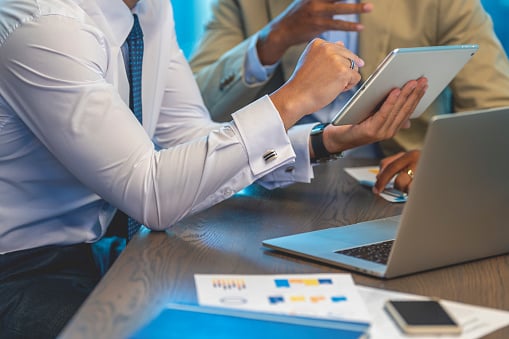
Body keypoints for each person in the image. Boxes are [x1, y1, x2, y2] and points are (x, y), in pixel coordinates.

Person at [0, 0, 428, 337]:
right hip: (21, 273)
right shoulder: (44, 25)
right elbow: (150, 192)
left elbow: (192, 139)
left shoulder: (147, 10)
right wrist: (291, 99)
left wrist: (324, 140)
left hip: (95, 252)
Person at [189, 0, 509, 158]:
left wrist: (439, 165)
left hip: (391, 174)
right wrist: (274, 38)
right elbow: (190, 112)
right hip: (271, 173)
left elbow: (496, 109)